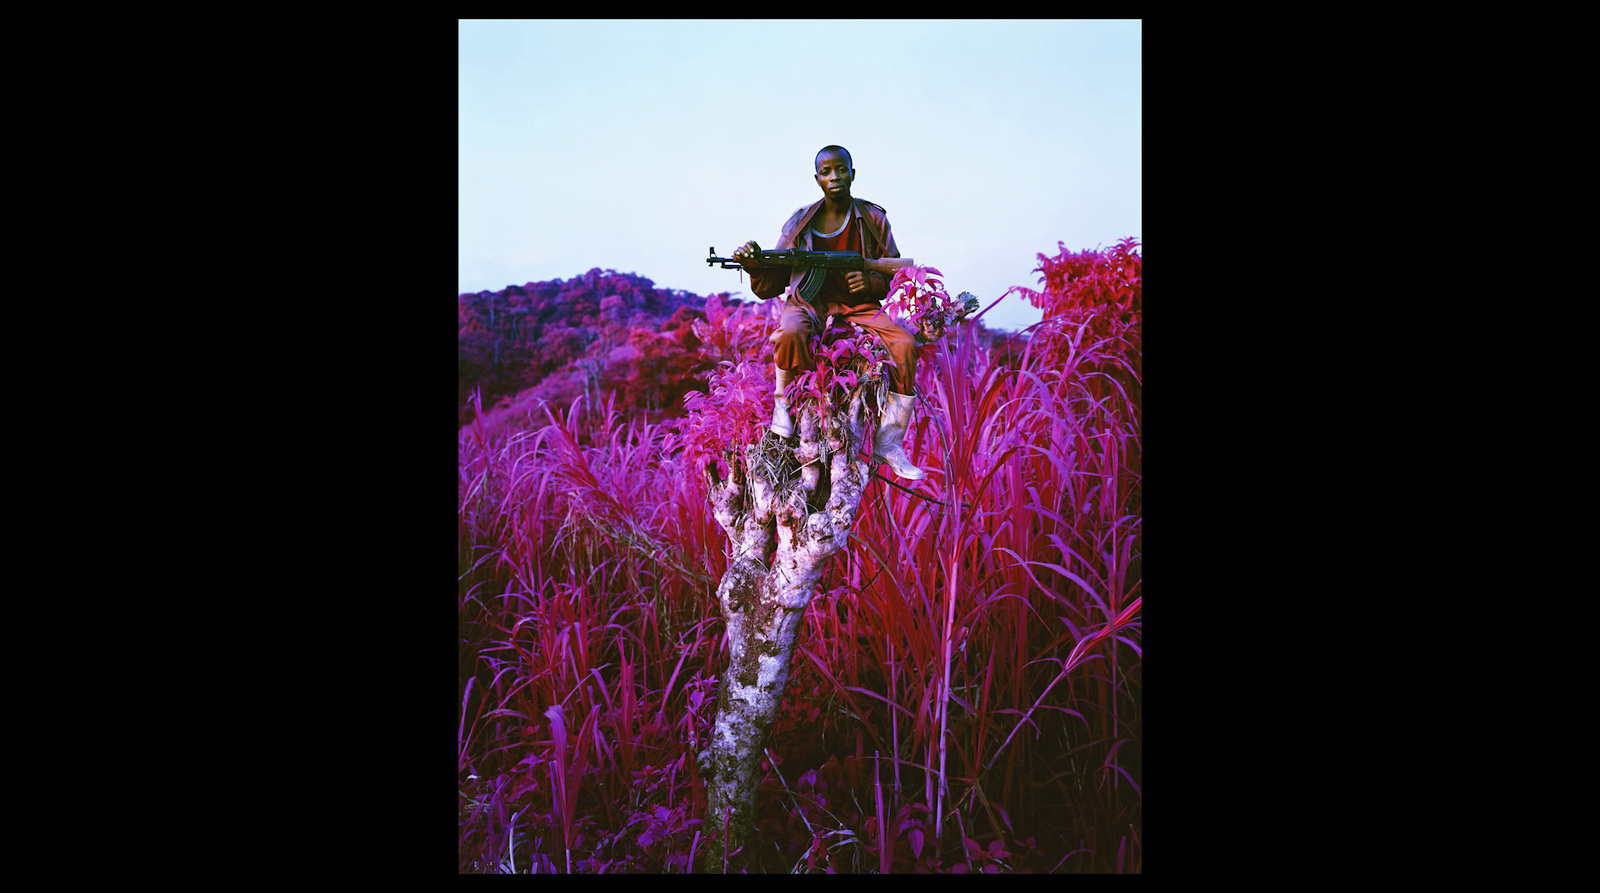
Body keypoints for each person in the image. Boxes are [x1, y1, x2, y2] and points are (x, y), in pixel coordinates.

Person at [730, 145, 924, 480]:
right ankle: (787, 411)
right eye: (825, 172)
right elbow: (770, 285)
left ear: (852, 172)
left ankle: (890, 441)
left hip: (859, 306)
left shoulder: (873, 218)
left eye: (840, 169)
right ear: (817, 178)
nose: (834, 177)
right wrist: (753, 265)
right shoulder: (800, 220)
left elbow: (896, 274)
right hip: (809, 301)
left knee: (904, 344)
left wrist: (870, 283)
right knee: (789, 333)